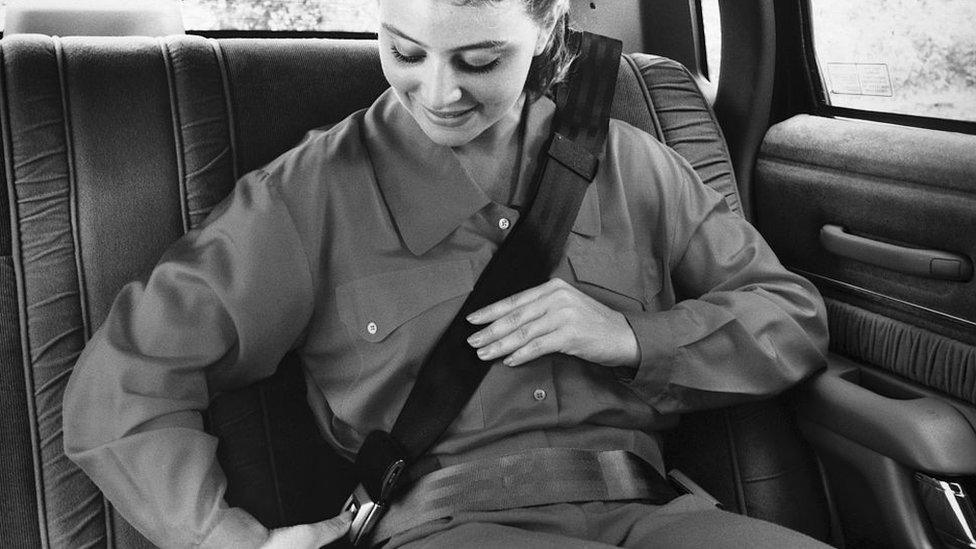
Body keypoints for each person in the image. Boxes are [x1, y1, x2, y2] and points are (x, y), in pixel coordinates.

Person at [62, 0, 831, 547]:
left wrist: (631, 337)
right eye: (403, 51)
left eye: (479, 60)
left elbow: (789, 315)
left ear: (546, 24)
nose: (438, 92)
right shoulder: (308, 195)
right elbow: (125, 379)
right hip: (451, 524)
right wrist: (226, 540)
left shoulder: (634, 165)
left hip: (659, 514)